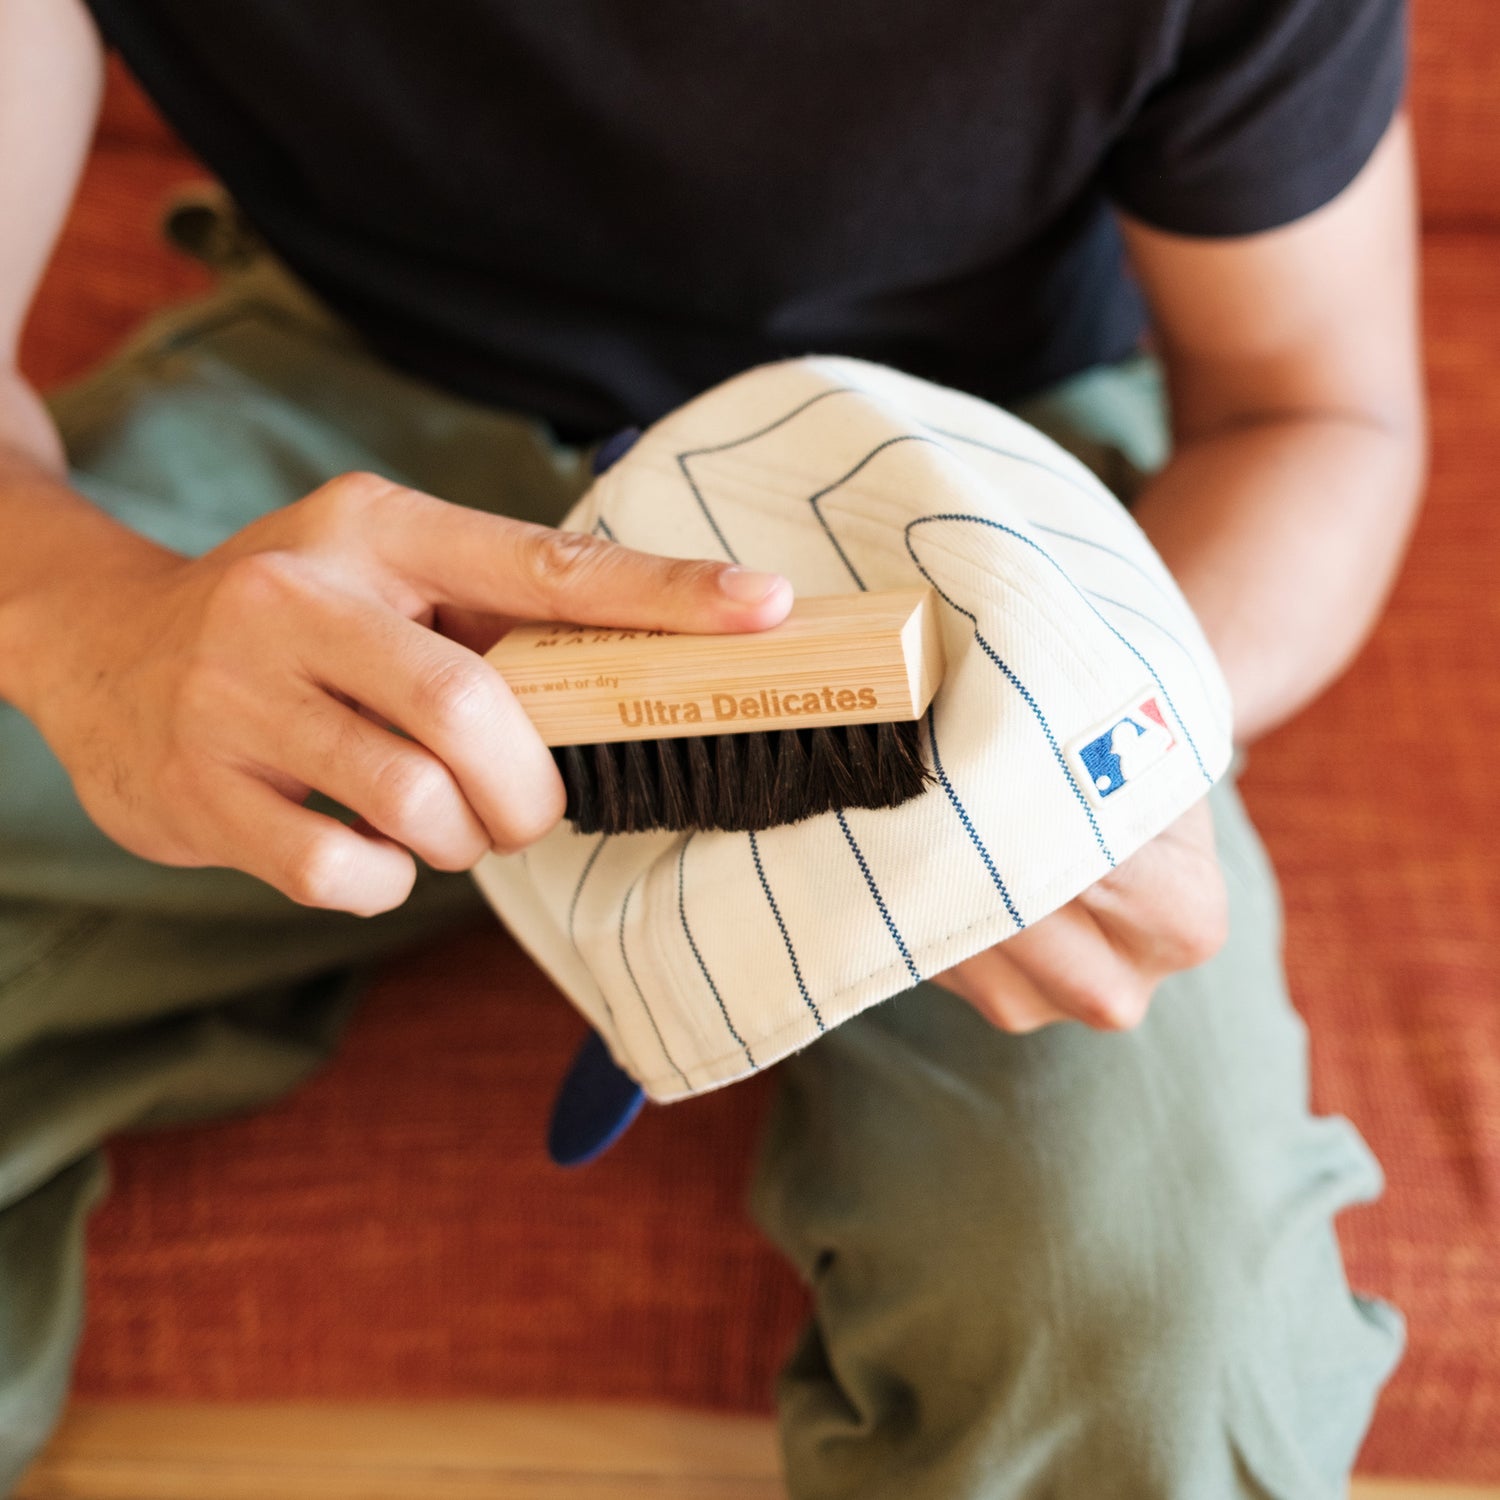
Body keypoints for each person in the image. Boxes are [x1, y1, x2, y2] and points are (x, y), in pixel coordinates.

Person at [0, 0, 1423, 1494]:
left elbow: (1313, 409)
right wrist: (83, 623)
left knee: (1144, 1338)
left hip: (959, 483)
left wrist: (1088, 742)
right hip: (347, 402)